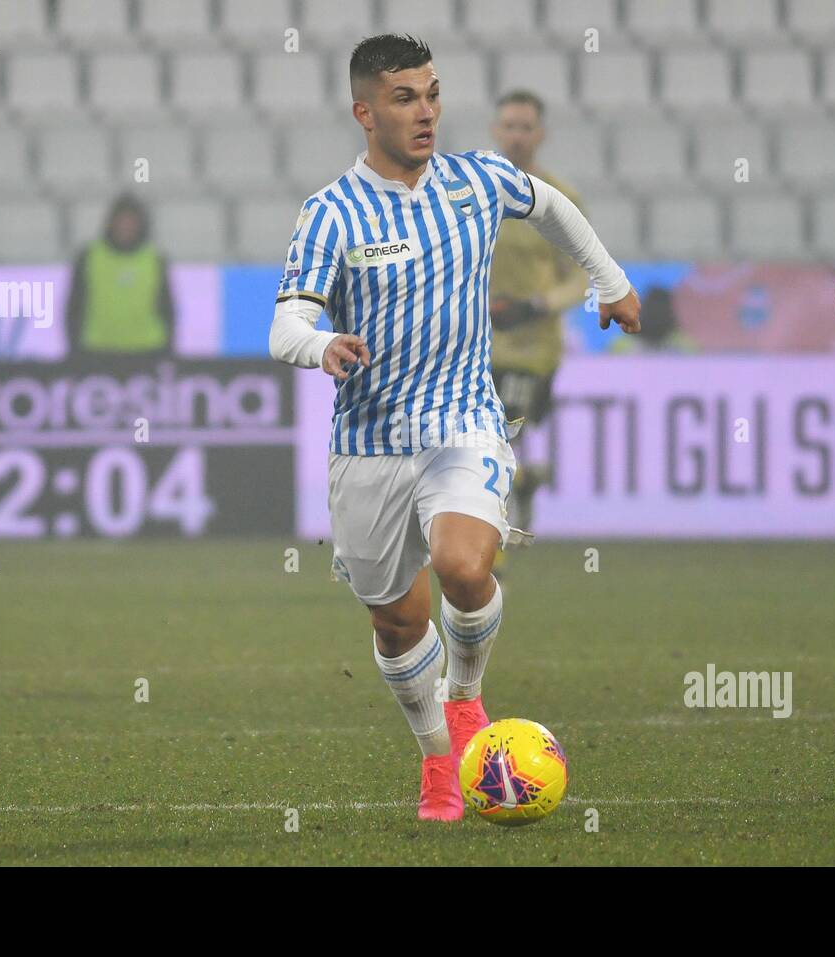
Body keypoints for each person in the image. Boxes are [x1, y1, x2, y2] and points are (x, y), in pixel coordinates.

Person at [268, 34, 640, 821]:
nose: (427, 111)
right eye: (406, 98)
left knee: (463, 564)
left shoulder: (476, 180)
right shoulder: (331, 213)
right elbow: (286, 324)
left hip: (464, 421)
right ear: (365, 112)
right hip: (368, 444)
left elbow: (553, 208)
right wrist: (322, 343)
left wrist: (610, 282)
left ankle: (467, 702)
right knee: (396, 619)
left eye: (433, 93)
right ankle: (440, 761)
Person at [486, 90, 588, 561]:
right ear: (496, 132)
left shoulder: (560, 200)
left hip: (533, 346)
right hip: (479, 343)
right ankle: (521, 484)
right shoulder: (473, 194)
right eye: (509, 126)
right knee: (482, 440)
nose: (517, 136)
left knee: (501, 432)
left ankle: (491, 564)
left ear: (540, 135)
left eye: (525, 127)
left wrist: (536, 305)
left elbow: (582, 278)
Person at [65, 194, 176, 356]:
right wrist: (74, 348)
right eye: (121, 221)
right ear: (111, 223)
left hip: (148, 350)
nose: (126, 227)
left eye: (131, 222)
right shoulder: (89, 256)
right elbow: (74, 306)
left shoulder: (155, 259)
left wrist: (168, 349)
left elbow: (167, 309)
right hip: (97, 350)